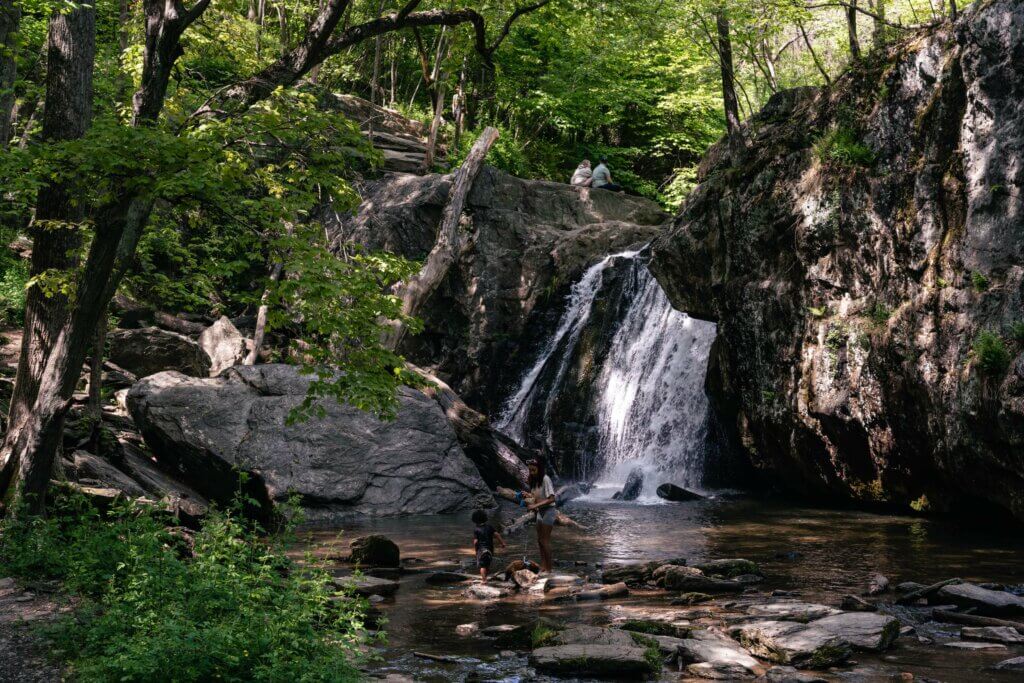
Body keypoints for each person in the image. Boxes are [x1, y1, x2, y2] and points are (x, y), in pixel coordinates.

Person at [522, 458, 557, 574]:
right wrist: (527, 495)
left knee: (545, 541)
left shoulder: (545, 479)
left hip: (549, 511)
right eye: (530, 470)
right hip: (540, 512)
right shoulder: (534, 480)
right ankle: (543, 566)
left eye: (533, 470)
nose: (531, 472)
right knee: (539, 540)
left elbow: (552, 498)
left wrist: (534, 505)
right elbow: (535, 497)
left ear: (539, 469)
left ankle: (549, 569)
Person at [471, 509, 506, 582]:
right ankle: (486, 577)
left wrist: (476, 550)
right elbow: (497, 534)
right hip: (490, 549)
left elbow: (475, 541)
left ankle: (484, 580)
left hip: (481, 550)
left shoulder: (476, 529)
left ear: (474, 520)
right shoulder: (489, 527)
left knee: (482, 566)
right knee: (487, 564)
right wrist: (502, 543)